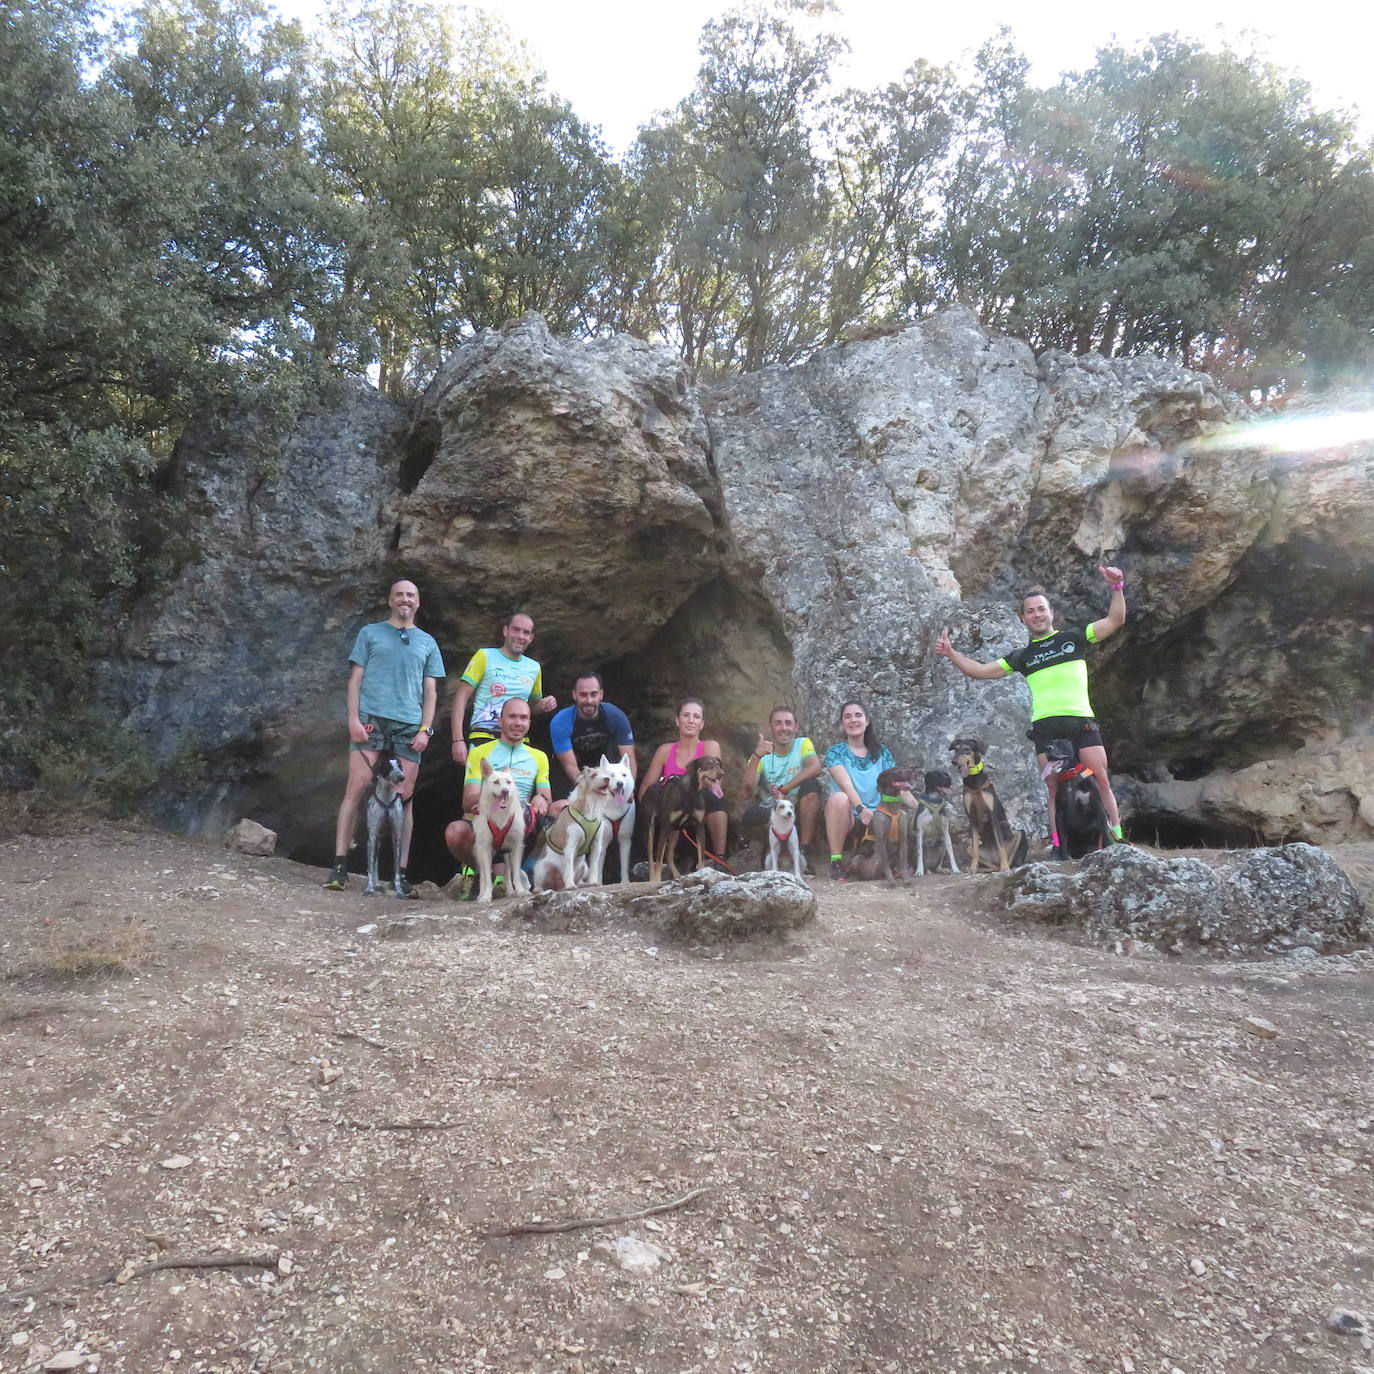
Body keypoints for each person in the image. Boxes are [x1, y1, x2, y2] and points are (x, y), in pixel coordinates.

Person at [935, 565, 1127, 856]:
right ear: (1023, 618)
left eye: (1041, 609)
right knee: (1053, 788)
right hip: (1046, 729)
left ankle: (1116, 837)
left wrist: (1117, 586)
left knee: (1099, 777)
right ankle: (1058, 845)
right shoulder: (1022, 656)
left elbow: (1115, 619)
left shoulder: (1073, 638)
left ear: (1051, 613)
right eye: (1030, 611)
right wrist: (951, 653)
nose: (1037, 615)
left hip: (1081, 722)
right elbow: (981, 671)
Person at [323, 579, 444, 893]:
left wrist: (425, 730)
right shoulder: (370, 633)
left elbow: (431, 692)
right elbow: (355, 681)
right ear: (390, 600)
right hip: (371, 720)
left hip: (408, 724)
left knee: (405, 796)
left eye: (411, 595)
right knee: (357, 784)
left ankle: (400, 873)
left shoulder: (428, 643)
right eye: (400, 594)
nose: (405, 599)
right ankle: (339, 865)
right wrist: (352, 719)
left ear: (418, 603)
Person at [444, 696, 552, 892]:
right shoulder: (479, 753)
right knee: (454, 832)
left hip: (521, 820)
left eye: (523, 718)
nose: (518, 723)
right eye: (512, 717)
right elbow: (468, 802)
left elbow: (546, 797)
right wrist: (495, 794)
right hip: (489, 818)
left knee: (559, 813)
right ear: (500, 721)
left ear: (529, 723)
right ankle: (489, 874)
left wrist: (541, 798)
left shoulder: (539, 757)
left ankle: (527, 872)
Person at [449, 611, 557, 766]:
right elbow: (461, 697)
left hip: (518, 742)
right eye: (516, 630)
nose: (520, 636)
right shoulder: (484, 656)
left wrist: (544, 705)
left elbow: (531, 708)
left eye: (526, 633)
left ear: (531, 638)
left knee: (516, 790)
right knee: (480, 789)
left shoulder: (534, 668)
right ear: (506, 631)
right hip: (484, 737)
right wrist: (457, 739)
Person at [638, 698, 727, 867]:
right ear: (677, 720)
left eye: (696, 716)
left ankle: (720, 859)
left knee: (716, 799)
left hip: (698, 811)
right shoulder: (665, 751)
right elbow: (646, 789)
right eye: (686, 715)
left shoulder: (709, 747)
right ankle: (659, 861)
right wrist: (652, 813)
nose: (691, 720)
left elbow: (716, 785)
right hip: (670, 814)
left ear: (702, 724)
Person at [739, 706, 822, 875]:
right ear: (771, 727)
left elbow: (815, 767)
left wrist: (785, 789)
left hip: (798, 809)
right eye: (778, 723)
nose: (783, 728)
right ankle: (771, 849)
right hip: (774, 812)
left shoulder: (802, 744)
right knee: (751, 815)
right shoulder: (762, 753)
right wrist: (756, 756)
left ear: (796, 727)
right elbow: (746, 792)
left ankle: (803, 850)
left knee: (812, 787)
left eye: (788, 723)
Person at [823, 700, 897, 881]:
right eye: (847, 717)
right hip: (850, 814)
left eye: (858, 715)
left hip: (879, 815)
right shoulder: (835, 752)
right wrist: (861, 809)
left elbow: (896, 784)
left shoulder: (882, 752)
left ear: (867, 720)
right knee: (838, 798)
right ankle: (836, 861)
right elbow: (846, 785)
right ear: (842, 724)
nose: (853, 720)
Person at [548, 671, 637, 787]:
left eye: (593, 694)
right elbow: (570, 766)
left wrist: (629, 789)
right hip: (574, 772)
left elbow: (629, 760)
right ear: (574, 695)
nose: (589, 700)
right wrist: (589, 792)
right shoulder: (561, 721)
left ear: (601, 694)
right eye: (583, 695)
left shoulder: (616, 716)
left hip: (607, 768)